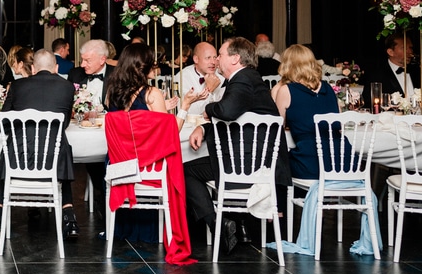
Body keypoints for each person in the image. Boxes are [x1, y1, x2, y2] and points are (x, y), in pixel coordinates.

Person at [183, 36, 290, 256]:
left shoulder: (242, 79)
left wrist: (208, 110)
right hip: (258, 162)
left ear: (235, 58)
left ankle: (218, 224)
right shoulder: (251, 79)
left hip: (247, 164)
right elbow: (237, 122)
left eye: (220, 54)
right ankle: (224, 224)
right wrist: (204, 128)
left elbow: (228, 112)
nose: (217, 59)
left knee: (186, 171)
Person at [0, 49, 79, 241]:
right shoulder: (67, 87)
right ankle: (69, 218)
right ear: (56, 68)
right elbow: (63, 123)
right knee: (62, 148)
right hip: (53, 159)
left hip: (19, 158)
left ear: (32, 68)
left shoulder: (16, 85)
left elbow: (4, 122)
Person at [102, 43, 170, 243]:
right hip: (145, 166)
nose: (156, 68)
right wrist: (183, 108)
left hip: (118, 165)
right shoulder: (152, 94)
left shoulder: (111, 93)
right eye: (153, 63)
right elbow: (166, 136)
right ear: (143, 66)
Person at [272, 44, 343, 180]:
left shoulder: (286, 90)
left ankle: (282, 201)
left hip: (310, 162)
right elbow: (338, 121)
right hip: (340, 161)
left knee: (277, 166)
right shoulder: (328, 88)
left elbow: (277, 128)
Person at [362, 32, 422, 108]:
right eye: (404, 48)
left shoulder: (417, 71)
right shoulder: (376, 75)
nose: (410, 52)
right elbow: (368, 104)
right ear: (391, 52)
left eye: (410, 48)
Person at [178, 42, 224, 118]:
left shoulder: (222, 77)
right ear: (196, 59)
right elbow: (190, 112)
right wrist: (209, 90)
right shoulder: (183, 77)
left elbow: (222, 109)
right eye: (208, 58)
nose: (213, 62)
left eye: (215, 57)